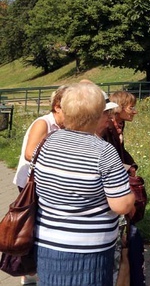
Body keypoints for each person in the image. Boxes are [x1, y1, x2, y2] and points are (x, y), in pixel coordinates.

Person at [33, 81, 135, 286]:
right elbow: (122, 205)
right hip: (89, 250)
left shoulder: (46, 142)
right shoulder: (104, 152)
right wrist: (130, 193)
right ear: (97, 114)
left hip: (47, 243)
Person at [12, 85, 69, 286]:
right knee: (31, 227)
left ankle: (36, 268)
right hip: (30, 184)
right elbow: (30, 154)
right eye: (68, 106)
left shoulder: (64, 126)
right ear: (57, 107)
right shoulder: (43, 123)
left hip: (46, 183)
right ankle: (27, 272)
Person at [100, 91, 146, 286]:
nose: (134, 111)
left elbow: (120, 152)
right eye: (131, 107)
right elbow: (110, 158)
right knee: (128, 239)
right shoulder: (106, 127)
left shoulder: (119, 124)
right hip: (113, 191)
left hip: (120, 184)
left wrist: (130, 165)